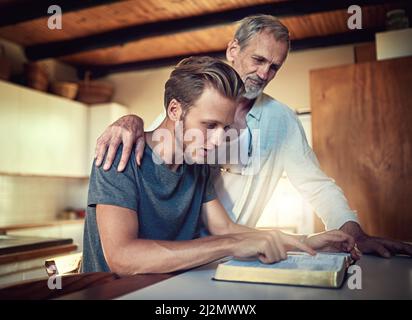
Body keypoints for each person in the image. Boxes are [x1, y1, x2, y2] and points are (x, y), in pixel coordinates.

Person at [93, 15, 412, 258]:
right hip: (171, 258)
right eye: (258, 60)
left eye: (275, 67)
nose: (264, 74)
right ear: (234, 50)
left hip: (228, 254)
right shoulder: (197, 98)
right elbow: (159, 137)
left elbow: (316, 187)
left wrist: (346, 235)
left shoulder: (280, 121)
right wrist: (128, 120)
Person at [83, 56, 357, 274]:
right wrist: (232, 246)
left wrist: (304, 242)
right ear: (175, 110)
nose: (217, 141)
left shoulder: (197, 163)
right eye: (209, 125)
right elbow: (122, 258)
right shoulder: (119, 153)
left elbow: (224, 228)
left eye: (224, 127)